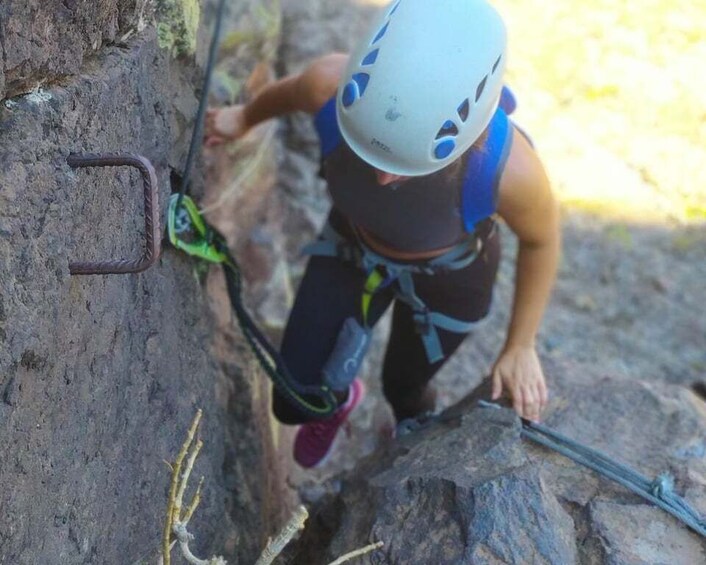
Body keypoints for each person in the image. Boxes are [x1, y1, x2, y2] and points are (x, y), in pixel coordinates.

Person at [204, 0, 560, 468]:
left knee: (406, 391)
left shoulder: (506, 168)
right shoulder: (330, 86)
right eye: (370, 152)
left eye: (403, 164)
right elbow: (289, 93)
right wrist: (244, 117)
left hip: (450, 282)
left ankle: (402, 450)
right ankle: (343, 397)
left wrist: (520, 344)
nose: (383, 178)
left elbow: (542, 240)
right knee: (293, 401)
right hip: (352, 245)